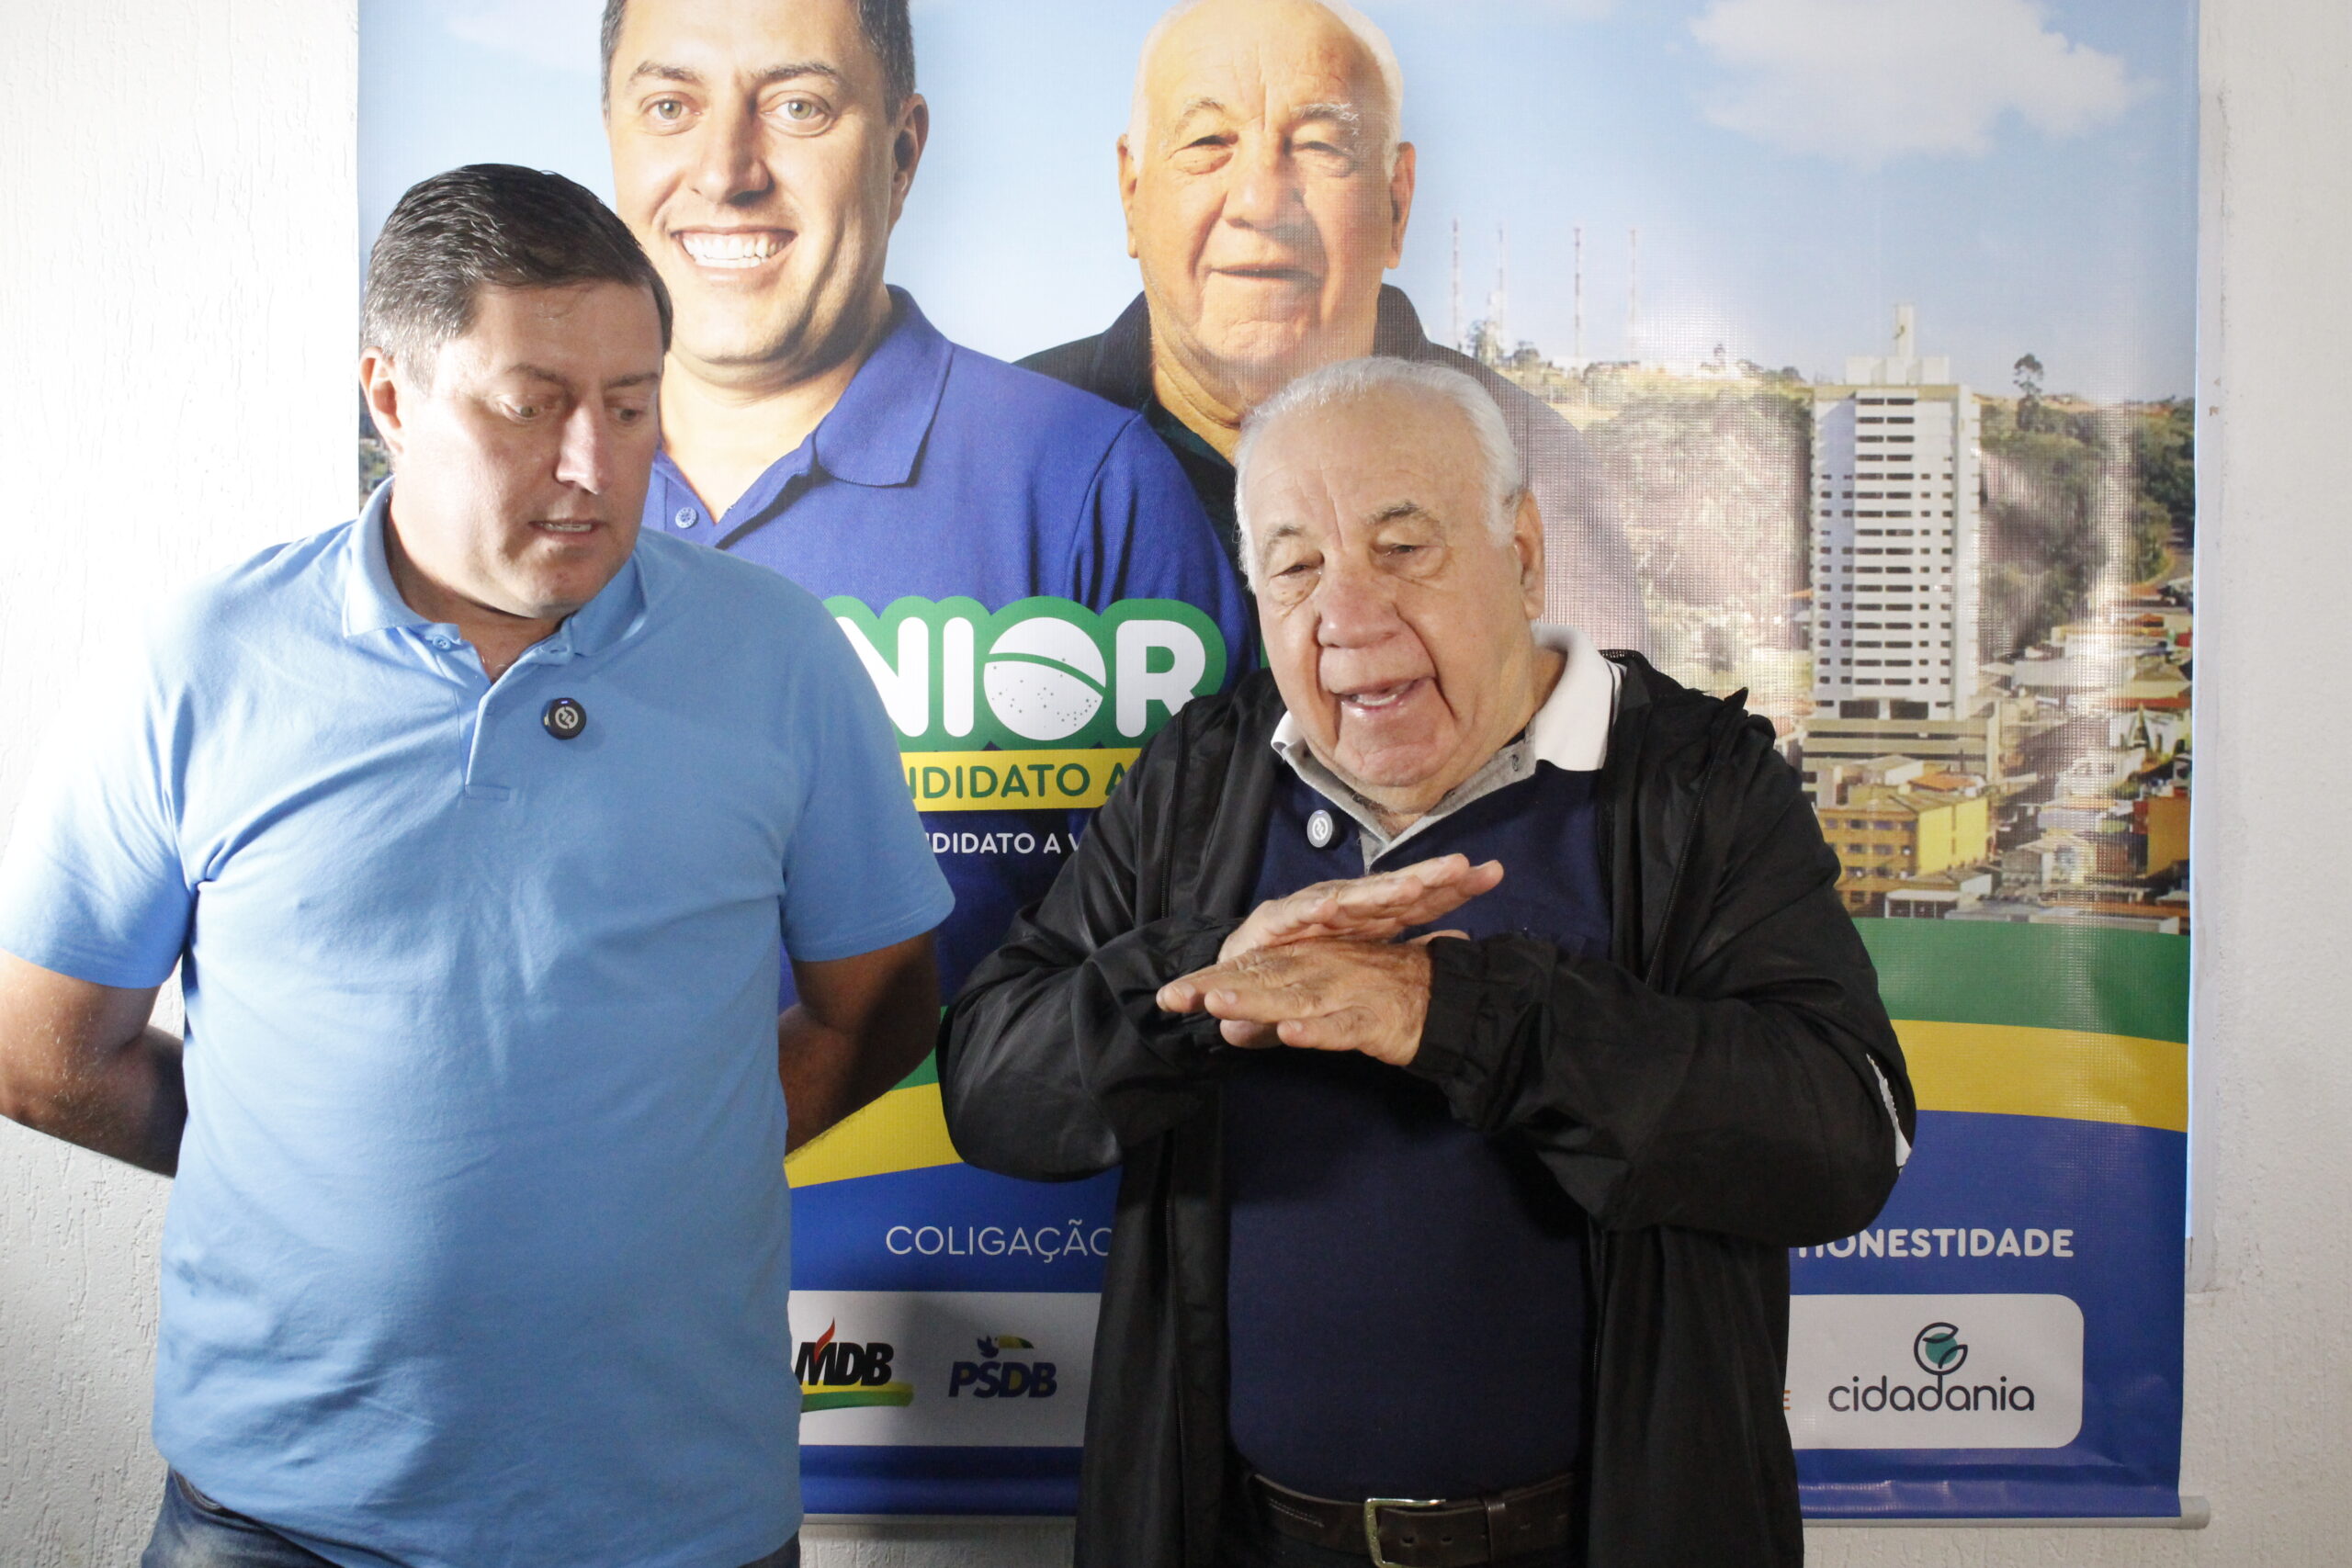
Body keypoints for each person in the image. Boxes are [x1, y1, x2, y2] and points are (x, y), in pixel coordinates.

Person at [0, 165, 952, 1568]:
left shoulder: (781, 654)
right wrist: (305, 1166)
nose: (594, 462)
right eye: (530, 405)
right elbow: (42, 1052)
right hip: (280, 1518)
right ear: (388, 395)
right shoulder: (201, 660)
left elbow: (881, 1006)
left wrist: (664, 1162)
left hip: (678, 1513)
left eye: (630, 404)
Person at [940, 358, 1912, 1568]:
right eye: (1296, 566)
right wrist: (1204, 978)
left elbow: (1840, 1137)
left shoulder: (1695, 783)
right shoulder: (1198, 779)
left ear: (1523, 554)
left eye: (1402, 549)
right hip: (1242, 1537)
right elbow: (991, 1084)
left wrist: (1453, 1011)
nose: (1348, 616)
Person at [601, 0, 1252, 999]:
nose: (726, 172)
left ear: (902, 154)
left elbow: (1194, 971)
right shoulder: (518, 498)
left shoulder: (1087, 488)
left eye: (799, 106)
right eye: (669, 107)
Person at [1021, 0, 1645, 649]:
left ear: (1397, 202)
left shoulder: (1531, 462)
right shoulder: (1002, 449)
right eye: (1208, 143)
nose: (1261, 202)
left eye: (1320, 146)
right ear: (1131, 192)